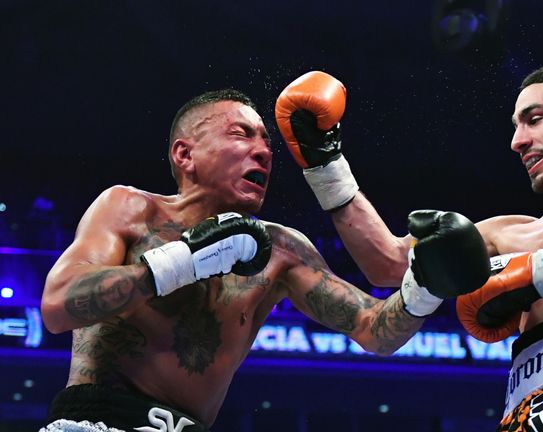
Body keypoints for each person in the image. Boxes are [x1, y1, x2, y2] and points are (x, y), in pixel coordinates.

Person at [276, 62, 543, 431]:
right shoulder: (511, 231)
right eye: (516, 126)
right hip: (521, 405)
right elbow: (388, 264)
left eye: (534, 118)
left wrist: (530, 276)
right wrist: (324, 164)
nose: (517, 140)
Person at [39, 88, 491, 431]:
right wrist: (187, 259)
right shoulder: (131, 209)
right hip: (96, 422)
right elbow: (58, 306)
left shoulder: (280, 250)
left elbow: (374, 330)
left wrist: (425, 284)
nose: (263, 150)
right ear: (185, 154)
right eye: (241, 134)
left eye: (267, 142)